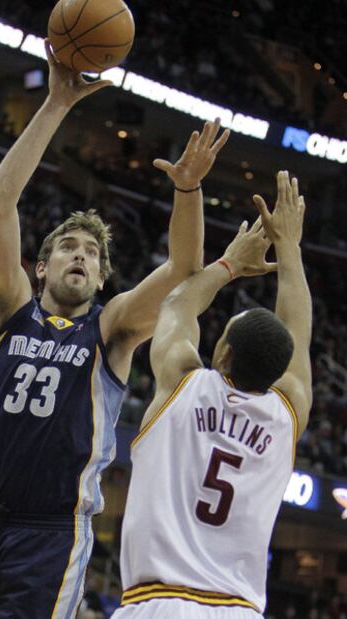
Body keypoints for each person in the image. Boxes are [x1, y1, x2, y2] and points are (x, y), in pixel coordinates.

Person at [0, 40, 230, 619]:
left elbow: (183, 270)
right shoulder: (5, 309)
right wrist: (56, 104)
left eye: (92, 253)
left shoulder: (112, 328)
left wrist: (188, 191)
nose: (80, 256)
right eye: (67, 246)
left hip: (49, 535)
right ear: (39, 266)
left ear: (101, 275)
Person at [112, 171, 312, 618]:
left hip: (157, 601)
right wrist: (291, 250)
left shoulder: (183, 382)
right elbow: (297, 334)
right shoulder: (288, 411)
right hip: (239, 609)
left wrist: (230, 265)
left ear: (221, 352)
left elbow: (177, 305)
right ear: (281, 370)